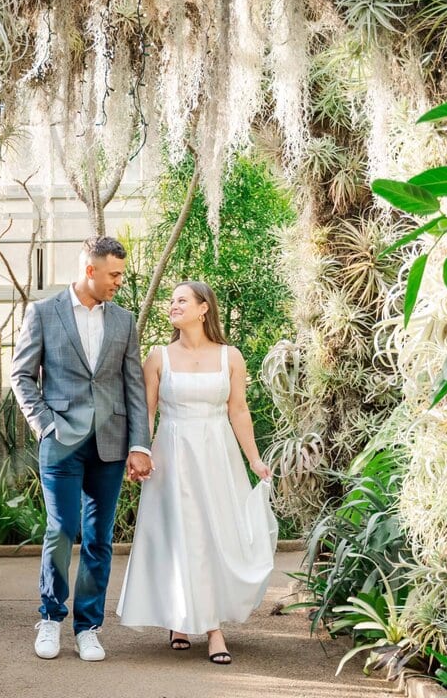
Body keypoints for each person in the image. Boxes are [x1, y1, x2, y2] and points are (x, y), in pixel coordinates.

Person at [116, 281, 277, 665]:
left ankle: (207, 622)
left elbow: (238, 410)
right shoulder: (158, 357)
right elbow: (147, 413)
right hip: (172, 456)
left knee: (213, 535)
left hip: (217, 455)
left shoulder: (230, 356)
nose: (173, 306)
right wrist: (138, 454)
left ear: (204, 308)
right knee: (180, 537)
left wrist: (254, 459)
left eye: (182, 300)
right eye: (171, 301)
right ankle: (201, 627)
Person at [11, 236, 153, 662]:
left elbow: (133, 388)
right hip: (60, 443)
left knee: (99, 539)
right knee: (61, 529)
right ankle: (51, 618)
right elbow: (21, 376)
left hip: (110, 444)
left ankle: (88, 626)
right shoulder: (43, 313)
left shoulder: (124, 321)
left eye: (121, 275)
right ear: (89, 270)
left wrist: (139, 444)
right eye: (113, 274)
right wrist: (46, 426)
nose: (119, 283)